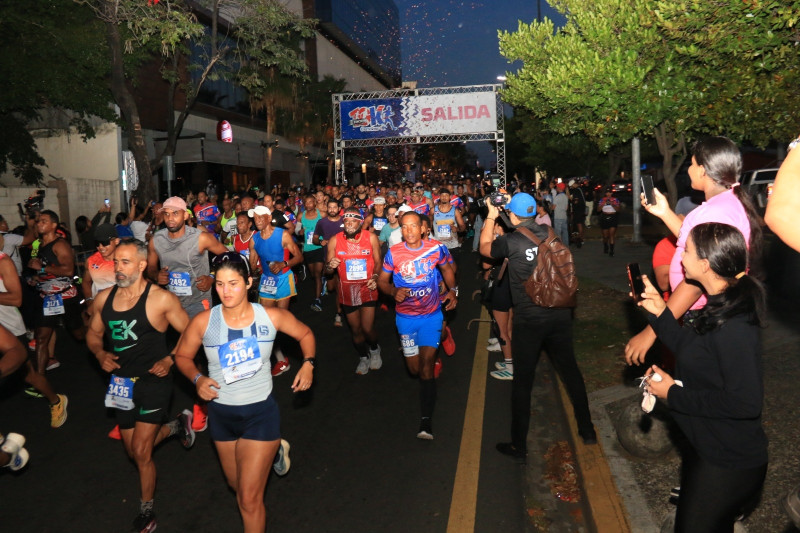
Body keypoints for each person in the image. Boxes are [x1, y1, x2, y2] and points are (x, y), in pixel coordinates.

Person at [637, 223, 767, 532]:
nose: (680, 255)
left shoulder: (735, 326)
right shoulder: (721, 303)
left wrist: (672, 393)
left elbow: (746, 402)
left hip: (728, 462)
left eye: (687, 250)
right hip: (706, 447)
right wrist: (661, 314)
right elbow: (693, 350)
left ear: (705, 265)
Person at [173, 252, 315, 533]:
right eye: (221, 284)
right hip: (222, 415)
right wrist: (197, 378)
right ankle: (275, 452)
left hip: (260, 414)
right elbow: (181, 356)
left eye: (234, 283)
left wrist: (308, 364)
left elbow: (306, 334)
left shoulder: (271, 316)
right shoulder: (204, 321)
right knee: (236, 486)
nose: (226, 291)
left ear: (249, 282)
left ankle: (271, 445)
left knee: (249, 499)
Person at [86, 238, 194, 532]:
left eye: (125, 262)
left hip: (154, 380)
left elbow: (190, 333)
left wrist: (171, 360)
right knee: (132, 451)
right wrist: (99, 353)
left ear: (142, 265)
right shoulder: (104, 298)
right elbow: (93, 333)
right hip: (120, 383)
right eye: (116, 262)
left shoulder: (161, 299)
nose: (118, 268)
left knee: (143, 452)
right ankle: (175, 427)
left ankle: (147, 511)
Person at [625, 137, 763, 366]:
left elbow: (695, 283)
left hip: (705, 315)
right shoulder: (723, 204)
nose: (688, 169)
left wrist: (651, 332)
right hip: (715, 312)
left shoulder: (715, 213)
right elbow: (695, 241)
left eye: (691, 164)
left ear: (702, 170)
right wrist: (664, 212)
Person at [479, 193, 596, 461]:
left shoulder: (509, 242)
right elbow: (526, 225)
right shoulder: (547, 231)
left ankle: (519, 445)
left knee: (523, 382)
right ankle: (587, 430)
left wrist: (491, 214)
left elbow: (485, 247)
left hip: (530, 320)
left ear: (512, 215)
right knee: (571, 372)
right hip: (560, 314)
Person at [148, 196, 228, 431]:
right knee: (167, 351)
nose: (171, 218)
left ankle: (202, 405)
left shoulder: (200, 238)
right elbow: (151, 266)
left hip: (198, 304)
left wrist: (212, 278)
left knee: (202, 355)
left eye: (176, 213)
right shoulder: (157, 240)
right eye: (167, 213)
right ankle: (147, 410)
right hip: (170, 304)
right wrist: (156, 276)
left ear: (186, 216)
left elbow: (227, 257)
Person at [378, 211, 457, 440]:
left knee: (425, 370)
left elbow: (448, 271)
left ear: (423, 228)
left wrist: (454, 291)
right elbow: (382, 281)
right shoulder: (394, 253)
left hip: (431, 315)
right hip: (405, 319)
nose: (409, 231)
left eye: (413, 226)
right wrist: (393, 291)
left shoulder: (436, 248)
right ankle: (441, 341)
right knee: (414, 370)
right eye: (404, 227)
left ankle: (426, 421)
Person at [0, 242, 67, 428]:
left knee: (28, 375)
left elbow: (17, 298)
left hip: (11, 329)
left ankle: (56, 401)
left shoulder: (3, 262)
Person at [324, 208, 382, 375]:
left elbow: (378, 261)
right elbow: (327, 271)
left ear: (360, 222)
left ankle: (374, 348)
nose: (349, 225)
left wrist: (376, 277)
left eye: (353, 221)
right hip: (348, 290)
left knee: (367, 328)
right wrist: (330, 266)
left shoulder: (371, 237)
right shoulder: (335, 240)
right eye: (346, 222)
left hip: (367, 287)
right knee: (355, 330)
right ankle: (363, 357)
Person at [28, 210, 85, 373]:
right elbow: (46, 271)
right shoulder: (38, 244)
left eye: (43, 221)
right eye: (38, 221)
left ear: (54, 225)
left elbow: (68, 271)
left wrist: (43, 267)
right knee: (41, 338)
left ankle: (98, 342)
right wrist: (38, 278)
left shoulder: (60, 245)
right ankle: (40, 378)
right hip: (47, 298)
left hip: (65, 297)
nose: (39, 223)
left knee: (79, 335)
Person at [248, 205, 302, 376]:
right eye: (254, 218)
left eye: (259, 218)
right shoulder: (254, 239)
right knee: (264, 321)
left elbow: (299, 257)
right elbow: (253, 262)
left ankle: (293, 347)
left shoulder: (282, 234)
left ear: (267, 217)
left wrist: (283, 264)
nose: (256, 221)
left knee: (280, 320)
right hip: (266, 280)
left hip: (284, 279)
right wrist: (253, 274)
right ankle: (279, 358)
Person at [313, 199, 346, 326]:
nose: (332, 209)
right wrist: (319, 241)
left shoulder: (344, 221)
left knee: (339, 288)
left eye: (334, 207)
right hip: (328, 259)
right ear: (327, 209)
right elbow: (315, 238)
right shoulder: (322, 222)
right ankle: (326, 282)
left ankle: (338, 314)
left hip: (344, 259)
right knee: (332, 288)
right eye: (330, 207)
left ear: (339, 209)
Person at [298, 195, 325, 312]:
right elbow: (296, 231)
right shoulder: (301, 216)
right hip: (308, 248)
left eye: (310, 202)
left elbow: (328, 227)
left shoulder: (322, 214)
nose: (308, 204)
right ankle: (322, 281)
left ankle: (317, 299)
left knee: (317, 274)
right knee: (314, 274)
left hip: (319, 246)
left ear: (314, 203)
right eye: (306, 202)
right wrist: (300, 231)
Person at [596, 186, 620, 256]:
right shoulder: (602, 200)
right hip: (604, 217)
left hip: (613, 217)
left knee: (611, 235)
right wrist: (604, 203)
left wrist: (612, 204)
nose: (608, 194)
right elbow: (598, 210)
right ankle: (606, 246)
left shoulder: (615, 200)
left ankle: (611, 251)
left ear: (612, 193)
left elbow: (618, 210)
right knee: (605, 236)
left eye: (610, 192)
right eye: (607, 193)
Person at [551, 181, 569, 246]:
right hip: (564, 217)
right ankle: (566, 247)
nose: (556, 188)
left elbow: (553, 207)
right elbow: (566, 208)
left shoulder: (557, 197)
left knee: (558, 234)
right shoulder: (566, 197)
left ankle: (559, 247)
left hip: (558, 217)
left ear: (559, 188)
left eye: (557, 187)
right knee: (565, 233)